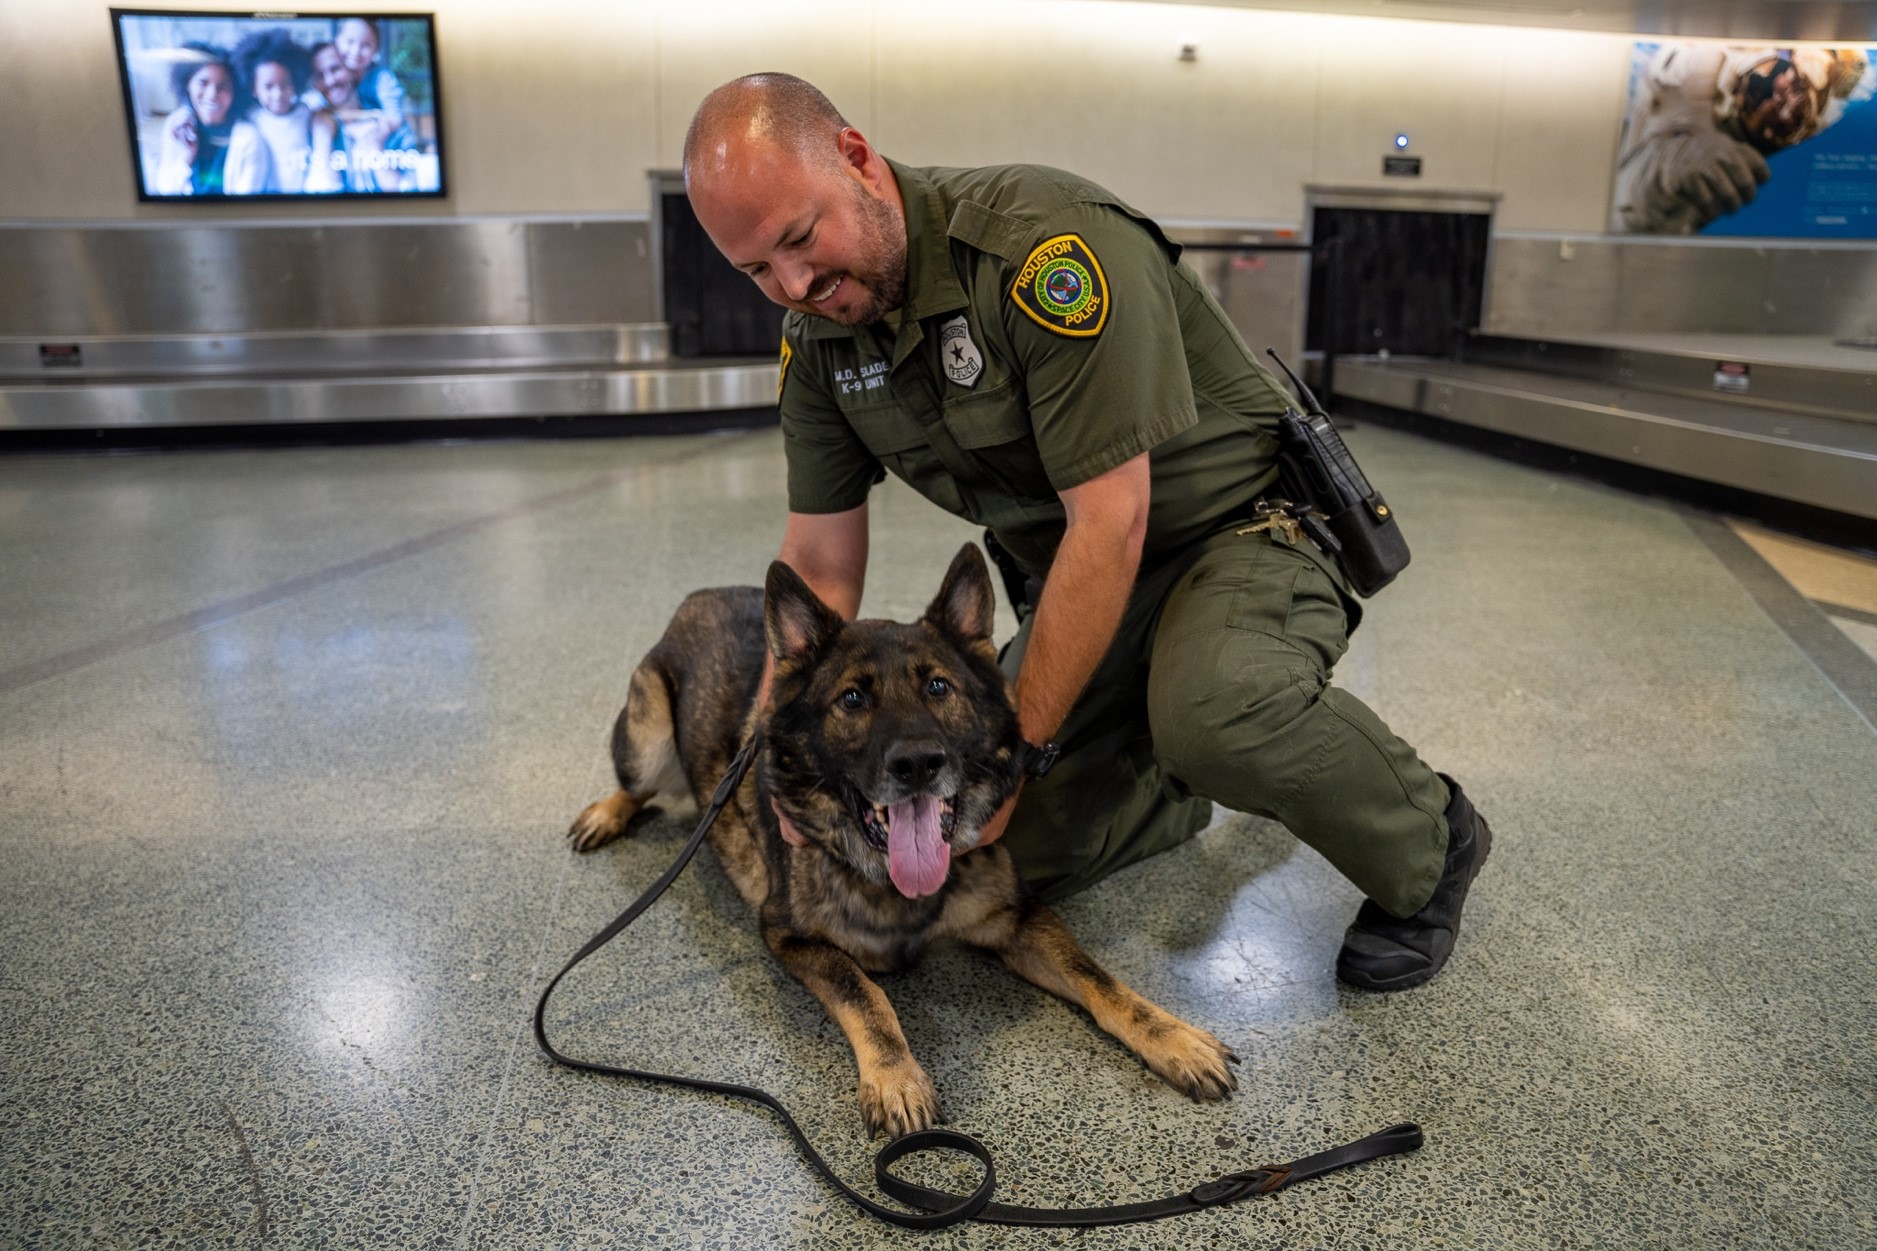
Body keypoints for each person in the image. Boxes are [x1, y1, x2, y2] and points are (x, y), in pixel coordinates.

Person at [681, 74, 1496, 992]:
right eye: (757, 271)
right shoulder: (818, 338)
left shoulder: (1042, 250)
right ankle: (1164, 767)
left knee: (1214, 714)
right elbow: (821, 566)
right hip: (1078, 579)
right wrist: (776, 758)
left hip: (1235, 539)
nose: (795, 284)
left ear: (858, 160)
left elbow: (1111, 520)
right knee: (973, 848)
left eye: (800, 237)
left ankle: (1432, 836)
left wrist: (1013, 751)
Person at [152, 43, 271, 196]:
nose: (212, 94)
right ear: (187, 84)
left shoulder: (249, 138)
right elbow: (166, 190)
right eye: (203, 83)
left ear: (235, 92)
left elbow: (246, 204)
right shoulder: (178, 125)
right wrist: (187, 155)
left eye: (223, 86)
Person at [231, 29, 314, 193]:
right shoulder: (249, 118)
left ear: (295, 83)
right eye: (268, 87)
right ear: (254, 88)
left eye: (285, 85)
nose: (278, 94)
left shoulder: (308, 115)